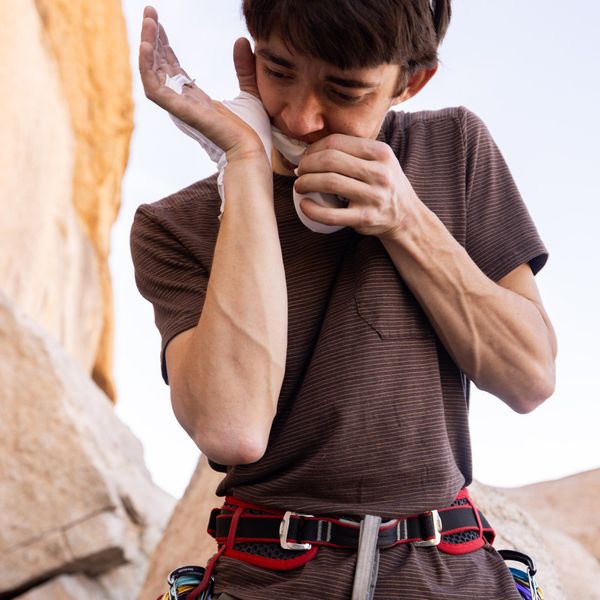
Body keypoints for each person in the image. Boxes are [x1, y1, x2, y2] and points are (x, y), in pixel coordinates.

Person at [131, 1, 557, 598]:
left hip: (451, 575)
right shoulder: (173, 225)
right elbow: (231, 430)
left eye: (345, 91)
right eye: (278, 70)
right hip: (267, 579)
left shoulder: (452, 147)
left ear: (410, 82)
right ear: (250, 54)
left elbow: (530, 378)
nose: (301, 116)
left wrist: (405, 219)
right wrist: (244, 168)